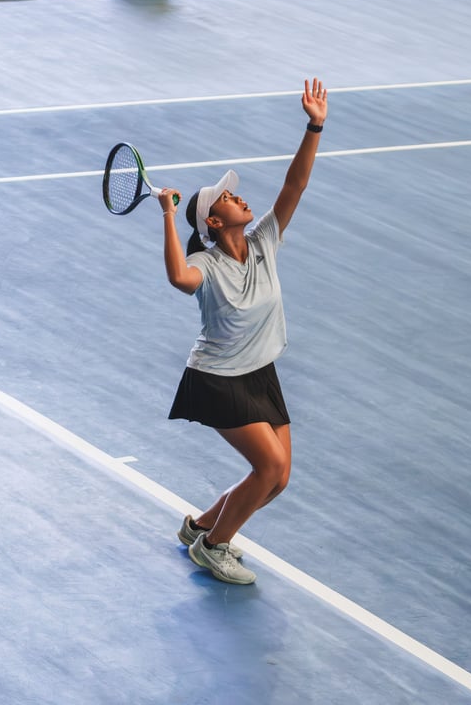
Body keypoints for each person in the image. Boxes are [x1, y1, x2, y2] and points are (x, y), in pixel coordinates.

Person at [155, 78, 328, 585]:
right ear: (213, 222)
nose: (238, 196)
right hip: (217, 379)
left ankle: (200, 526)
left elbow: (294, 186)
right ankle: (213, 547)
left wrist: (314, 126)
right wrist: (168, 214)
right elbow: (178, 277)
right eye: (227, 198)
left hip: (260, 373)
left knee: (279, 478)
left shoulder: (264, 240)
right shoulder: (205, 266)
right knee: (268, 469)